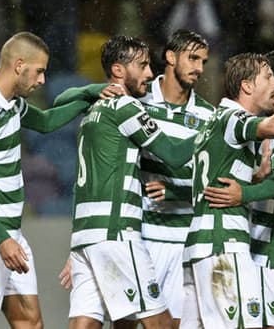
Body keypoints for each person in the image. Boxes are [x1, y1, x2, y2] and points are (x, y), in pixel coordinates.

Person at [0, 31, 100, 329]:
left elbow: (45, 122)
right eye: (40, 71)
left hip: (9, 235)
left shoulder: (10, 103)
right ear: (19, 65)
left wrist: (94, 93)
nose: (43, 80)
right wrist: (1, 239)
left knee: (30, 323)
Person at [181, 52, 274, 328]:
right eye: (268, 77)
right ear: (247, 86)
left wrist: (254, 177)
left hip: (200, 244)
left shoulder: (216, 121)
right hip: (223, 242)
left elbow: (211, 174)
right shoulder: (235, 119)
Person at [60, 36, 198, 329]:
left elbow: (61, 101)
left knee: (83, 324)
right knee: (160, 324)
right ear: (119, 70)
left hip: (86, 236)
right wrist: (211, 129)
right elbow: (173, 154)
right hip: (117, 233)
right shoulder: (126, 107)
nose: (150, 73)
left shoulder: (92, 111)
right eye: (143, 65)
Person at [135, 29, 215, 328]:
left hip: (184, 239)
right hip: (142, 237)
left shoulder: (208, 116)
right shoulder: (138, 103)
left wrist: (176, 192)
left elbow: (213, 180)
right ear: (170, 57)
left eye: (204, 61)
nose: (199, 68)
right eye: (192, 58)